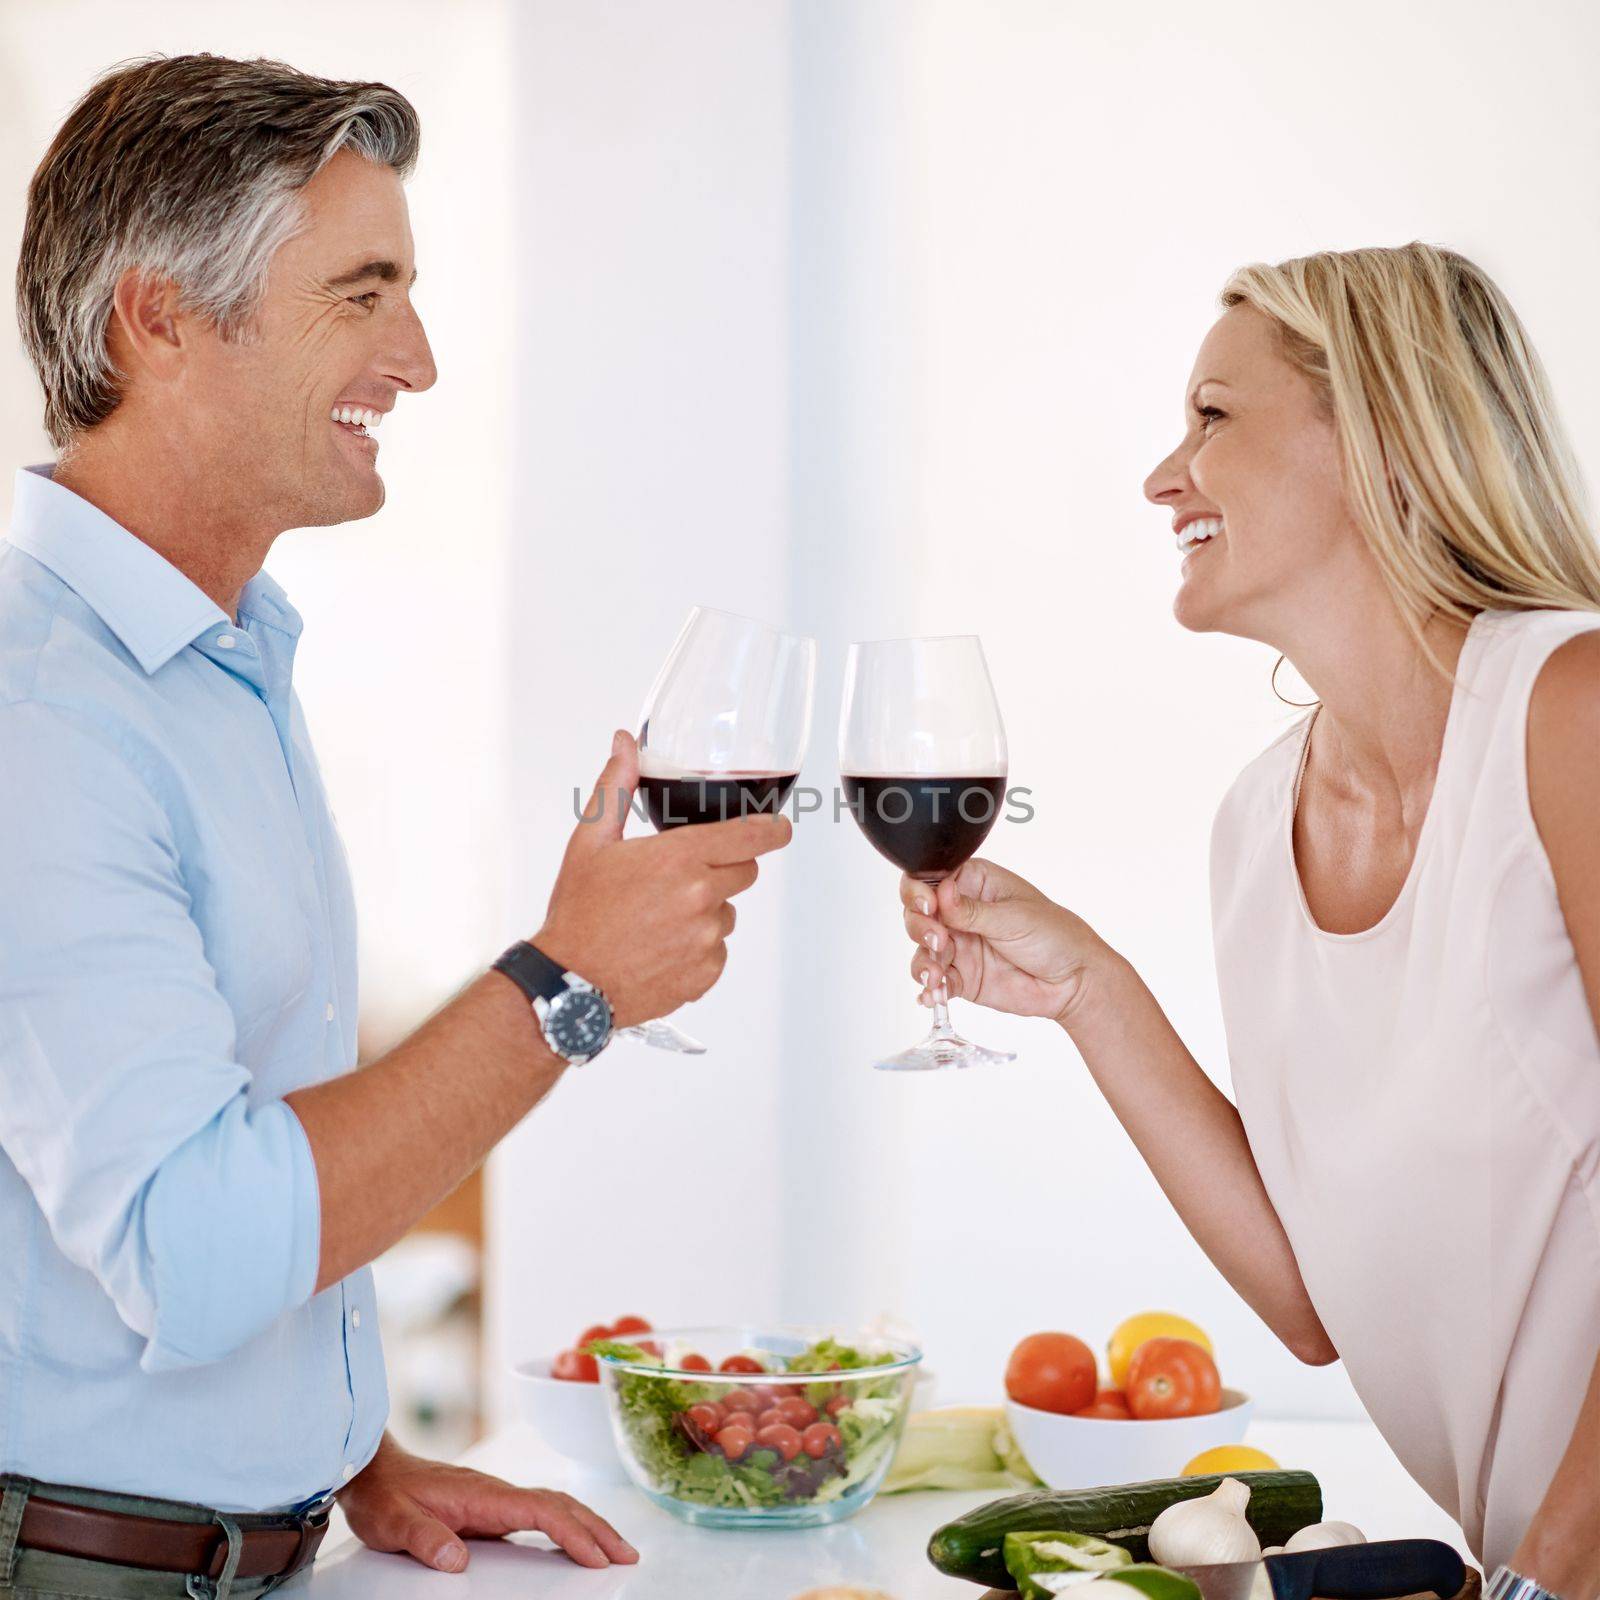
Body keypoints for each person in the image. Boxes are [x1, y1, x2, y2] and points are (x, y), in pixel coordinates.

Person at [0, 53, 789, 1599]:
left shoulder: (221, 657)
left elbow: (228, 1114)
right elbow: (191, 1240)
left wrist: (353, 1457)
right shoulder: (43, 716)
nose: (415, 358)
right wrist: (568, 987)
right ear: (156, 318)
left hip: (239, 1558)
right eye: (362, 295)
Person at [904, 245, 1600, 1600]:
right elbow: (1310, 1300)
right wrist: (1088, 989)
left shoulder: (1568, 708)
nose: (1165, 476)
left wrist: (1553, 1569)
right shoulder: (1257, 823)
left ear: (1389, 441)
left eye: (1213, 418)